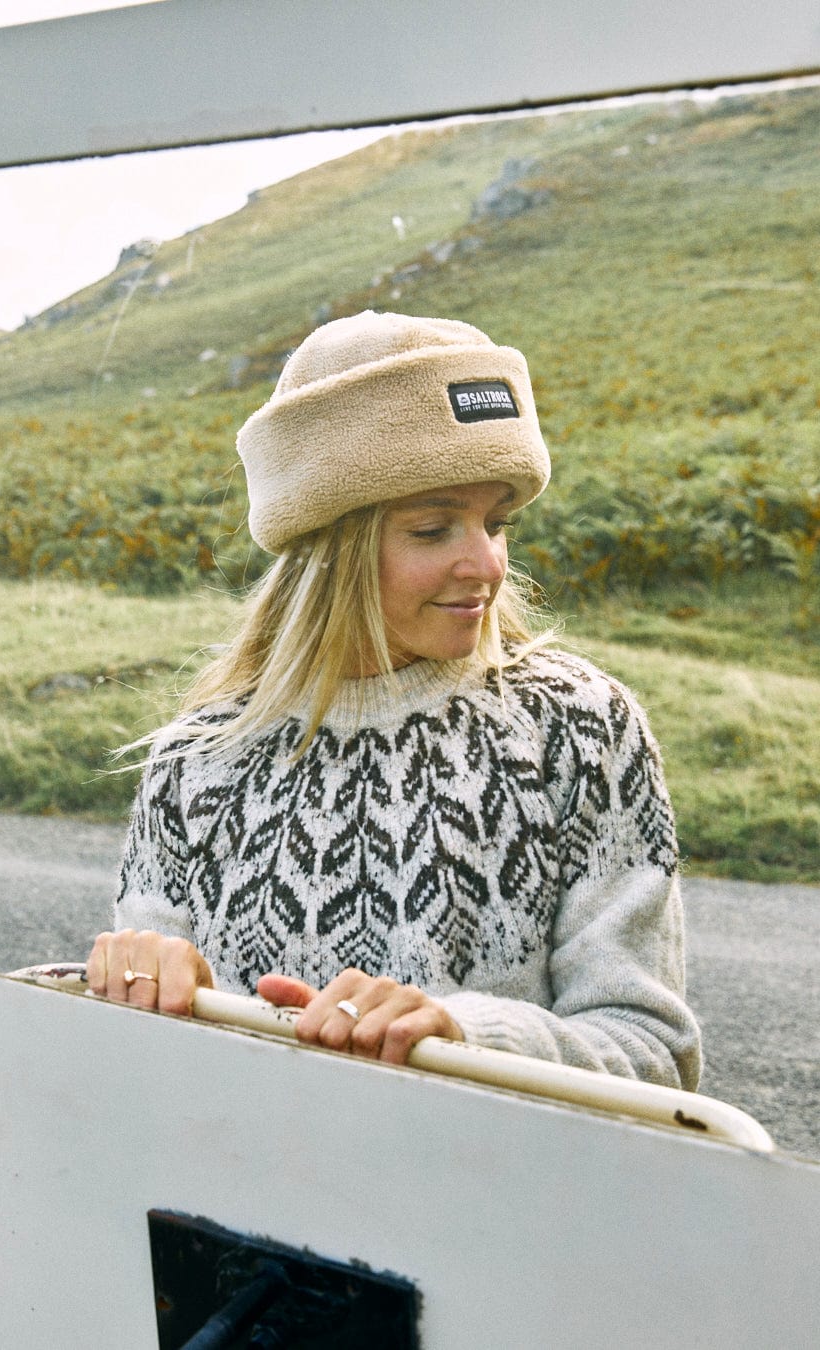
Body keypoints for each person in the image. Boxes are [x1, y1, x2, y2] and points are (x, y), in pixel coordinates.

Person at [86, 311, 702, 1091]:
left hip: (491, 1204)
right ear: (329, 548)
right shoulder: (196, 760)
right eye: (433, 528)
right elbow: (143, 1079)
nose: (485, 562)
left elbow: (655, 1051)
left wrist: (463, 1035)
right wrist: (133, 985)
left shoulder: (580, 728)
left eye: (496, 522)